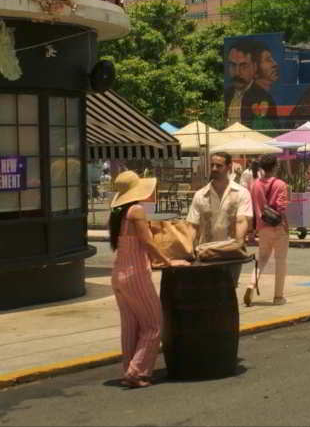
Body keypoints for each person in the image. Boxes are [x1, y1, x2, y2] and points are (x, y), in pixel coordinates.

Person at [108, 171, 188, 388]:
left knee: (130, 326)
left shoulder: (118, 213)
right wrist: (168, 261)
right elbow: (148, 243)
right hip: (136, 275)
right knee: (153, 325)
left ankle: (129, 369)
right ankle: (137, 371)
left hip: (118, 275)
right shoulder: (136, 210)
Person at [245, 155, 289, 306]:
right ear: (275, 166)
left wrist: (252, 230)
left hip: (262, 227)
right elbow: (281, 208)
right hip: (278, 227)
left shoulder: (255, 184)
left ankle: (251, 284)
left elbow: (251, 206)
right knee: (280, 261)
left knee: (262, 259)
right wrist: (286, 225)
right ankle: (278, 297)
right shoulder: (281, 184)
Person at [186, 151, 253, 252]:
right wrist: (188, 250)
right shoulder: (200, 195)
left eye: (218, 166)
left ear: (229, 167)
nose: (214, 169)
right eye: (212, 165)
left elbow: (241, 221)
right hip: (206, 252)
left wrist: (238, 244)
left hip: (231, 253)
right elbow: (193, 226)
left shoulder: (242, 193)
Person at [224, 39, 258, 125]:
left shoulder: (262, 97)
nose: (237, 72)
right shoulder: (228, 94)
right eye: (233, 65)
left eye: (243, 66)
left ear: (254, 67)